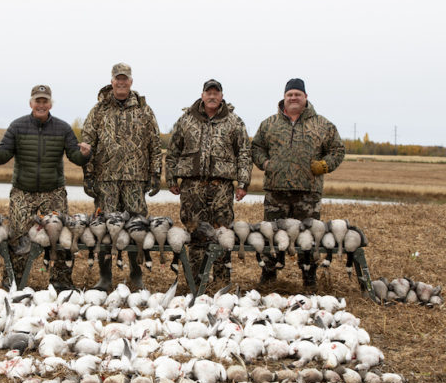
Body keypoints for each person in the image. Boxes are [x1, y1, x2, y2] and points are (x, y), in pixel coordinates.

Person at [0, 84, 91, 291]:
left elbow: (75, 156)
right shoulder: (17, 126)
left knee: (61, 237)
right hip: (23, 192)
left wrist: (85, 154)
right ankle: (13, 282)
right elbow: (4, 154)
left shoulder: (63, 128)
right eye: (38, 101)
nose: (41, 105)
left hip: (54, 192)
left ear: (51, 104)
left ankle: (61, 282)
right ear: (31, 103)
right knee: (17, 237)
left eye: (45, 101)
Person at [251, 77, 345, 290]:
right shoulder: (269, 124)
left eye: (297, 94)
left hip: (308, 193)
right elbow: (256, 147)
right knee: (271, 236)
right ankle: (269, 277)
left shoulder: (322, 124)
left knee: (309, 238)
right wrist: (265, 163)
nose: (293, 98)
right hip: (276, 191)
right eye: (289, 94)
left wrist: (324, 165)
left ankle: (309, 278)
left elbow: (338, 150)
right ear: (284, 98)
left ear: (305, 97)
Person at [81, 62, 162, 291]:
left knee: (136, 227)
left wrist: (155, 173)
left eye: (125, 78)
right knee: (104, 227)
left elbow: (155, 143)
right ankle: (105, 277)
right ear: (112, 80)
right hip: (105, 179)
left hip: (135, 180)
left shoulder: (144, 110)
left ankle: (136, 276)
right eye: (118, 78)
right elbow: (87, 144)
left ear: (131, 81)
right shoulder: (99, 110)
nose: (121, 82)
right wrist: (88, 175)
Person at [165, 79, 252, 283]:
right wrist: (171, 178)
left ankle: (221, 283)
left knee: (222, 233)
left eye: (216, 92)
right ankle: (195, 282)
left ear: (222, 96)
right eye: (208, 92)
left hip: (221, 187)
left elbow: (245, 154)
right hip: (191, 187)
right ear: (202, 95)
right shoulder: (186, 120)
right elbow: (172, 152)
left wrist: (243, 183)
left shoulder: (234, 121)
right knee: (195, 233)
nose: (212, 96)